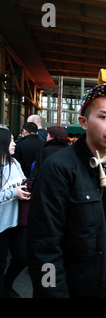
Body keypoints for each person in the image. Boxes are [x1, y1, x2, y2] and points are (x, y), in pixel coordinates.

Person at [26, 84, 106, 298]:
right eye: (103, 117)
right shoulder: (59, 168)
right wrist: (51, 293)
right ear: (83, 122)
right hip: (82, 287)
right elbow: (44, 247)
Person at [0, 127, 30, 298]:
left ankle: (6, 285)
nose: (15, 144)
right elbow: (12, 191)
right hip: (1, 225)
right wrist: (14, 193)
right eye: (11, 140)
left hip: (17, 222)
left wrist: (27, 189)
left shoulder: (15, 163)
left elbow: (22, 181)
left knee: (22, 258)